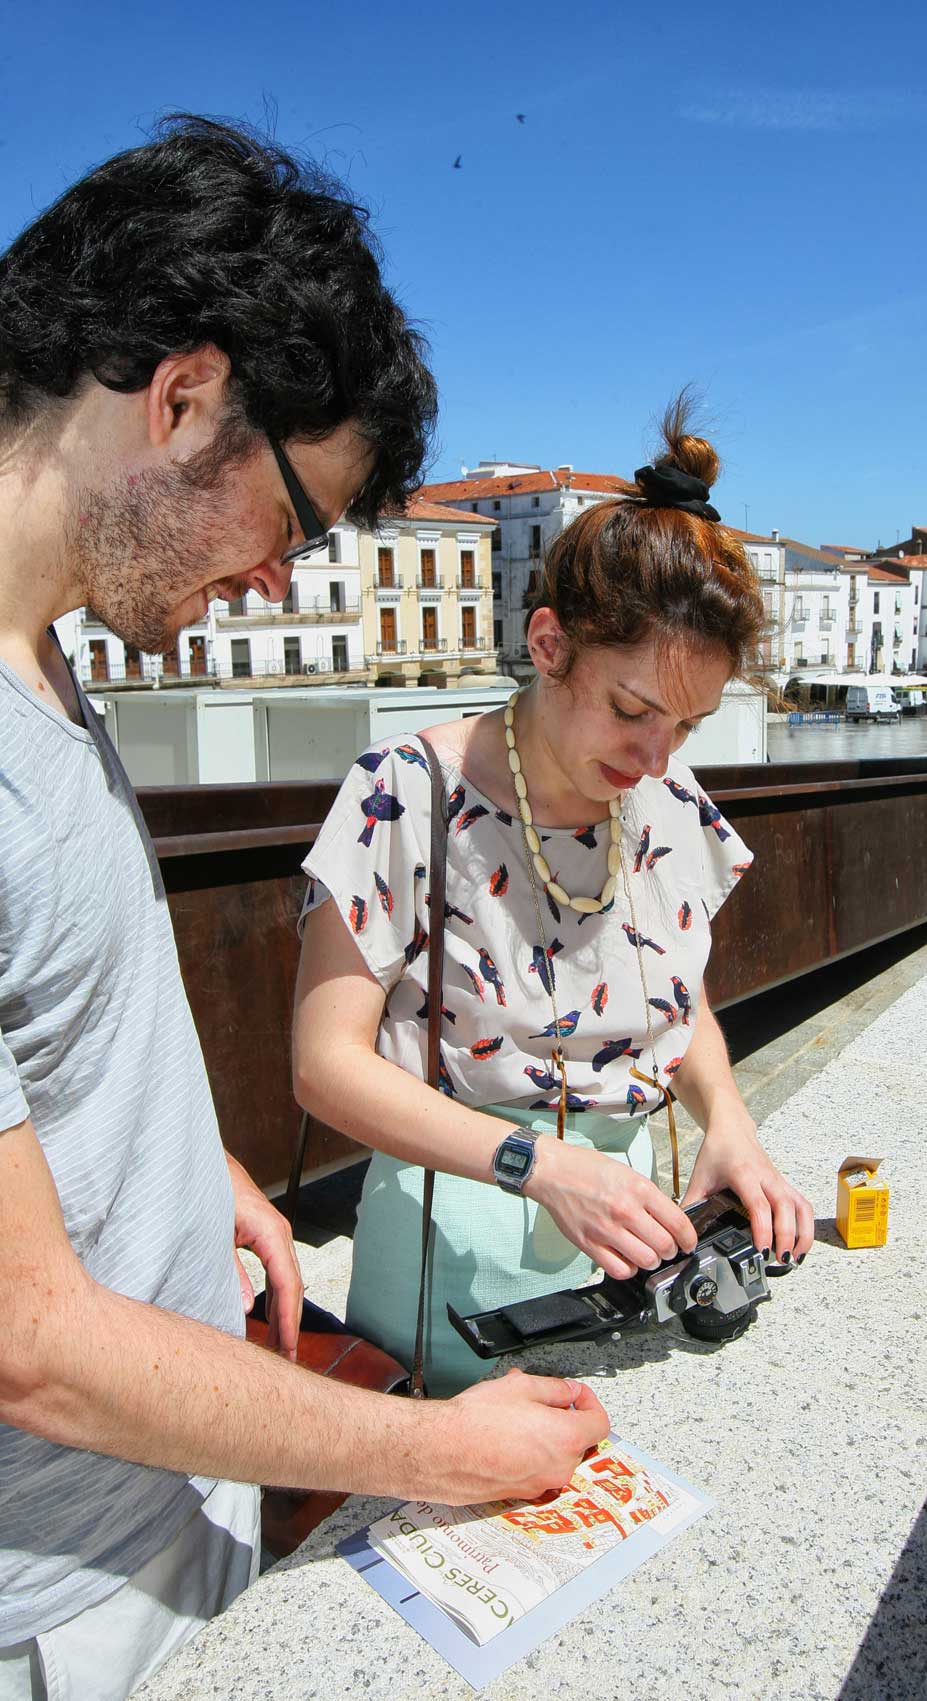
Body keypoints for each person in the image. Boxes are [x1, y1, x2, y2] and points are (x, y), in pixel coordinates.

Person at [0, 116, 607, 1701]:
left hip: (156, 1504)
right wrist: (432, 1444)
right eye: (295, 522)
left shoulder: (46, 666)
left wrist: (180, 1167)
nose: (282, 583)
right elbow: (29, 1341)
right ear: (182, 395)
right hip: (52, 1602)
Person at [293, 398, 816, 1395]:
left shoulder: (663, 794)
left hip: (636, 1242)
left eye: (689, 724)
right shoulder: (406, 792)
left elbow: (676, 984)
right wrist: (544, 1167)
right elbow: (323, 1067)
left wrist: (732, 1131)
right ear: (547, 644)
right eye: (632, 710)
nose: (656, 755)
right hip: (456, 1270)